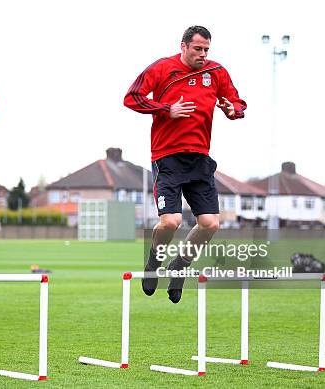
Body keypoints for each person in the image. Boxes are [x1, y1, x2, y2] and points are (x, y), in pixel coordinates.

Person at [123, 26, 247, 303]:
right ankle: (154, 263)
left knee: (210, 224)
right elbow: (132, 98)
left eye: (206, 50)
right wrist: (166, 108)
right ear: (184, 46)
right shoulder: (162, 69)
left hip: (200, 158)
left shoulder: (216, 73)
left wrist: (232, 110)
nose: (202, 55)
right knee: (171, 221)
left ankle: (179, 266)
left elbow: (237, 103)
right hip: (168, 157)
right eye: (197, 49)